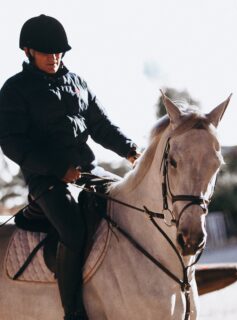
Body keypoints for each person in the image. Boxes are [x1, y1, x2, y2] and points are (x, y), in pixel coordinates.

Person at [0, 14, 140, 320]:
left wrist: (130, 150)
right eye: (46, 53)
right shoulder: (14, 90)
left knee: (130, 203)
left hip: (88, 171)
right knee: (74, 232)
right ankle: (73, 310)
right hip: (47, 180)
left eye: (58, 52)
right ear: (28, 52)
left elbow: (101, 125)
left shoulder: (78, 83)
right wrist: (57, 168)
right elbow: (12, 143)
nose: (54, 58)